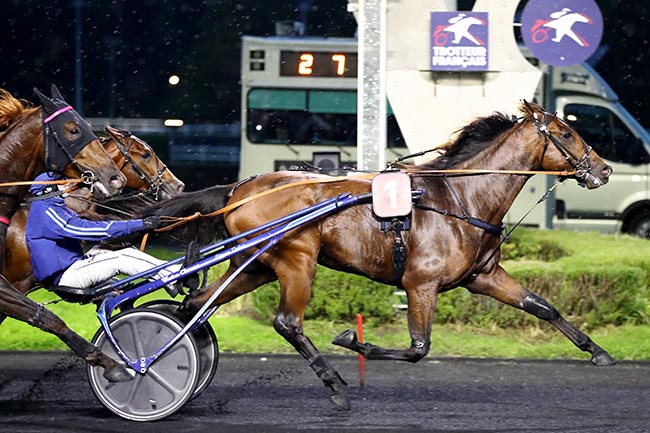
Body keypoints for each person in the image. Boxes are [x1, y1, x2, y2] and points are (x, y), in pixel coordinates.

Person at [26, 172, 181, 295]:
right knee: (122, 257)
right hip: (66, 277)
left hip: (72, 267)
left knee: (114, 247)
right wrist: (138, 224)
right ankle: (174, 275)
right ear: (48, 189)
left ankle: (164, 277)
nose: (69, 184)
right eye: (63, 181)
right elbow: (89, 230)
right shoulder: (46, 212)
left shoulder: (55, 208)